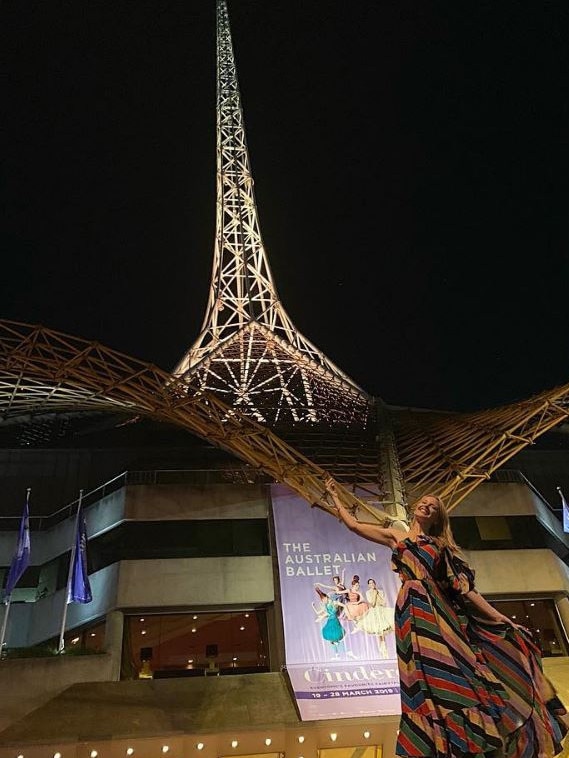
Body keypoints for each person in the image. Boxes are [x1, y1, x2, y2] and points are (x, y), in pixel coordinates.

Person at [325, 477, 566, 758]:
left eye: (433, 507)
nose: (427, 507)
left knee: (453, 667)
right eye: (424, 502)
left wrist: (501, 617)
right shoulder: (396, 536)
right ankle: (436, 737)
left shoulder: (440, 548)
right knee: (420, 673)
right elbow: (354, 525)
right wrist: (334, 496)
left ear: (437, 518)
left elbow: (466, 591)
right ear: (416, 507)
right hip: (409, 608)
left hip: (436, 608)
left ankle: (470, 733)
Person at [312, 586, 347, 656]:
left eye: (324, 599)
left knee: (335, 636)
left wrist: (345, 614)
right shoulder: (326, 605)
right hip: (330, 621)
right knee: (331, 638)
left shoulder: (334, 602)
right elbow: (319, 613)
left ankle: (341, 652)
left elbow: (344, 605)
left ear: (327, 597)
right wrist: (313, 606)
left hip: (334, 620)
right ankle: (336, 653)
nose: (323, 601)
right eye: (322, 600)